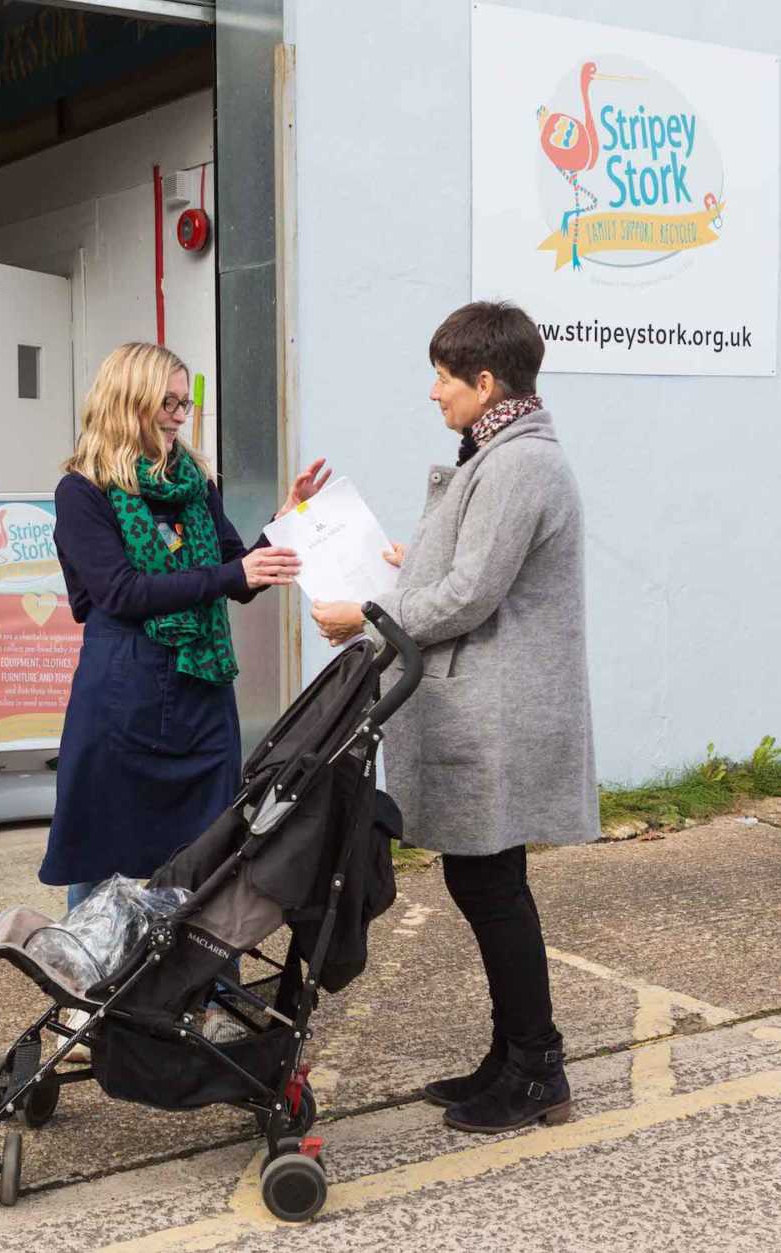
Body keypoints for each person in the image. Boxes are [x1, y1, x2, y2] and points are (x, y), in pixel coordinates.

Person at [311, 301, 600, 1133]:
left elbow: (474, 592)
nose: (433, 391)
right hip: (487, 702)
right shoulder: (497, 455)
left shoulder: (518, 466)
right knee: (487, 877)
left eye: (444, 376)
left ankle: (538, 1066)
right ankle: (515, 1054)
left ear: (485, 381)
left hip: (498, 709)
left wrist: (369, 617)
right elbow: (471, 563)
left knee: (490, 881)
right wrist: (411, 562)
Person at [40, 342, 328, 1051]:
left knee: (212, 854)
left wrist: (290, 518)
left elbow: (238, 565)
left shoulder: (194, 481)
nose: (179, 416)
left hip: (200, 696)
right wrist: (232, 576)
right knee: (100, 848)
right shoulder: (82, 491)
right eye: (167, 403)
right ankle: (86, 990)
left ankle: (207, 990)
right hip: (123, 692)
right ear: (129, 401)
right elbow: (119, 592)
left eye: (183, 402)